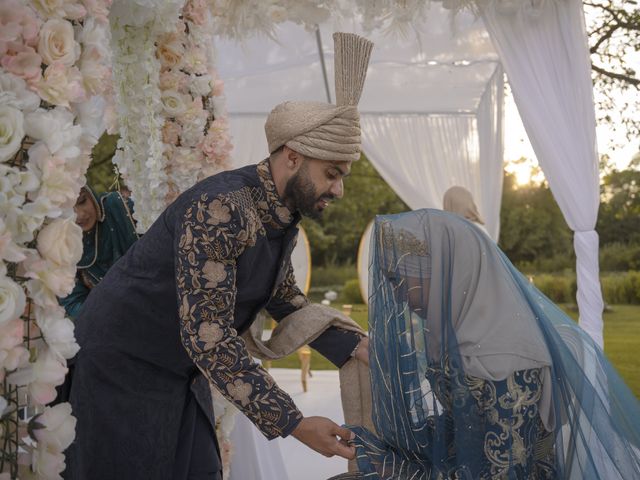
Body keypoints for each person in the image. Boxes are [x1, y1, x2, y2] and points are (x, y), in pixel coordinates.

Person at [66, 32, 374, 480]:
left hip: (177, 371)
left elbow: (284, 298)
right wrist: (293, 422)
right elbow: (208, 336)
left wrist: (353, 346)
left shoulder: (279, 212)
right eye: (331, 174)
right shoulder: (223, 208)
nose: (338, 190)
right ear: (291, 157)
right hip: (120, 368)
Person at [349, 209, 640, 479]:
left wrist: (403, 472)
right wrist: (397, 448)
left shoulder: (505, 361)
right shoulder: (462, 335)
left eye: (401, 281)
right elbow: (467, 427)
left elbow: (506, 470)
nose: (399, 296)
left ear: (445, 275)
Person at [60, 186, 138, 319]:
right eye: (67, 211)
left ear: (90, 194)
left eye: (82, 201)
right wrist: (110, 313)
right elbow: (74, 302)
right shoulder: (63, 249)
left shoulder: (117, 206)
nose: (80, 215)